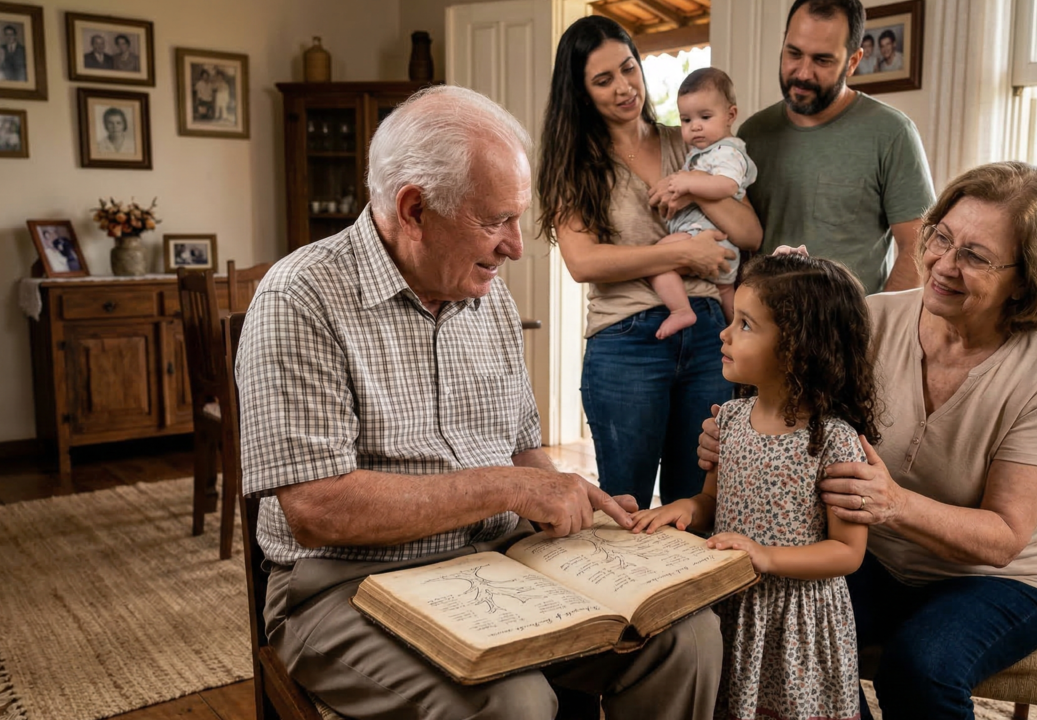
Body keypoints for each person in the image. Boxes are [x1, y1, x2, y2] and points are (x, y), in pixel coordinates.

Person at [236, 85, 725, 720]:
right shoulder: (301, 297)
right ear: (413, 209)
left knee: (688, 637)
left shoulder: (486, 294)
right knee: (512, 702)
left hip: (500, 561)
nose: (517, 246)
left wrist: (570, 498)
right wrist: (509, 489)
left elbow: (521, 449)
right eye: (496, 220)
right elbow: (317, 510)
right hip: (343, 586)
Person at [698, 161, 1037, 720]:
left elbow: (1004, 537)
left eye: (975, 256)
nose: (943, 265)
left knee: (920, 666)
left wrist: (894, 503)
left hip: (994, 581)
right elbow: (791, 409)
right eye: (941, 238)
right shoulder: (871, 320)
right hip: (873, 560)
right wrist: (735, 446)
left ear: (1027, 278)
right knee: (798, 643)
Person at [632, 253, 877, 720]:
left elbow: (848, 552)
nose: (724, 333)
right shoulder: (729, 420)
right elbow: (711, 500)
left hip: (797, 622)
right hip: (731, 605)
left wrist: (767, 557)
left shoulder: (835, 441)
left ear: (799, 347)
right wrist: (684, 508)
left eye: (745, 325)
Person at [537, 16, 762, 511]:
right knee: (626, 505)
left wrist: (696, 185)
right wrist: (680, 253)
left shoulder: (691, 142)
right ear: (581, 93)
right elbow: (583, 261)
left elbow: (748, 234)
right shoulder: (575, 164)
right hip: (626, 341)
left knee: (695, 504)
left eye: (628, 69)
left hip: (708, 334)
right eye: (604, 80)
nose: (624, 88)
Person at [738, 0, 934, 293]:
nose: (803, 72)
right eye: (794, 53)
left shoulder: (892, 132)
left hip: (851, 333)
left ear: (853, 61)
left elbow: (918, 246)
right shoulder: (752, 133)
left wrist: (876, 329)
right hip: (763, 329)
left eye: (822, 60)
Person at [645, 67, 757, 338]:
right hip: (715, 243)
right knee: (726, 294)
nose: (695, 126)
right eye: (686, 119)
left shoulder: (727, 151)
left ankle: (680, 310)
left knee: (658, 259)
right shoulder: (704, 152)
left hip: (708, 237)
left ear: (731, 115)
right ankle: (740, 335)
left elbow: (727, 185)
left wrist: (687, 182)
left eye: (705, 117)